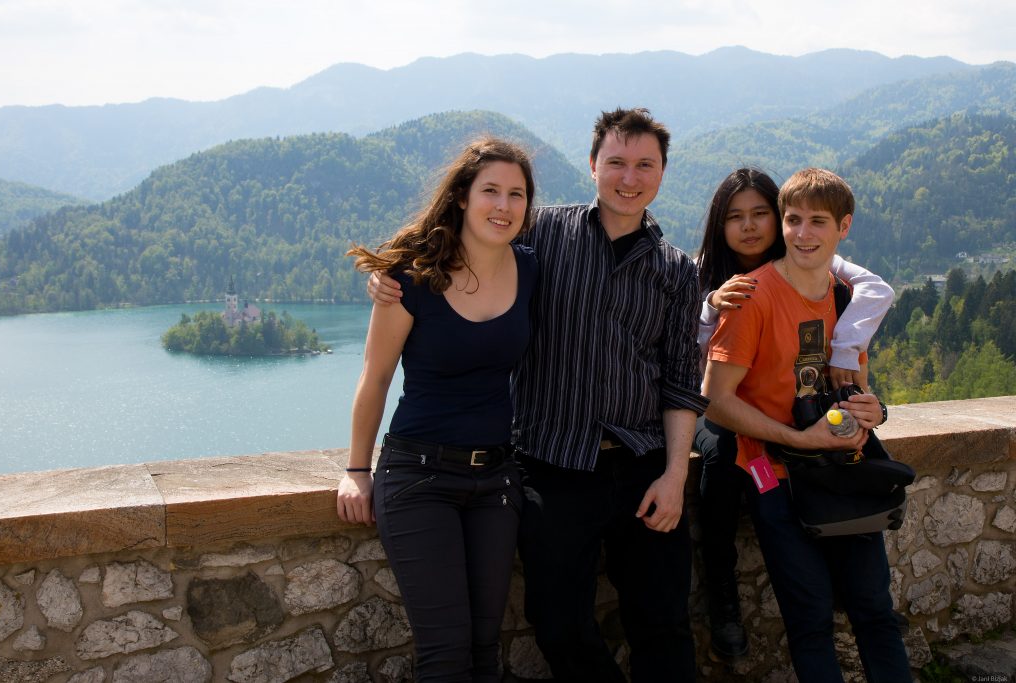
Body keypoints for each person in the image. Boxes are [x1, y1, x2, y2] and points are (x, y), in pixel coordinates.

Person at [370, 108, 708, 682]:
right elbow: (461, 235)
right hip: (551, 465)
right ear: (593, 165)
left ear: (663, 172)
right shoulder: (542, 231)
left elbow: (679, 382)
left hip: (643, 467)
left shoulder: (675, 271)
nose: (630, 177)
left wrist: (674, 477)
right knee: (557, 623)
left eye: (645, 165)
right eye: (617, 162)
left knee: (664, 621)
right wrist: (390, 273)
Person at [336, 137, 538, 682]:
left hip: (496, 482)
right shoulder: (411, 280)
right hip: (419, 477)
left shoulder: (531, 269)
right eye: (490, 191)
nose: (503, 205)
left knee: (483, 652)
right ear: (463, 198)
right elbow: (375, 378)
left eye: (516, 194)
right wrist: (357, 470)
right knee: (445, 655)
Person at [702, 168, 911, 682]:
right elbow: (715, 402)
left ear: (844, 228)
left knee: (875, 613)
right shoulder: (749, 296)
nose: (802, 233)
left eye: (817, 222)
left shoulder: (846, 299)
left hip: (842, 471)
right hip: (772, 474)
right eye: (793, 220)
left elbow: (853, 383)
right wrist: (798, 437)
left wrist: (870, 409)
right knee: (810, 621)